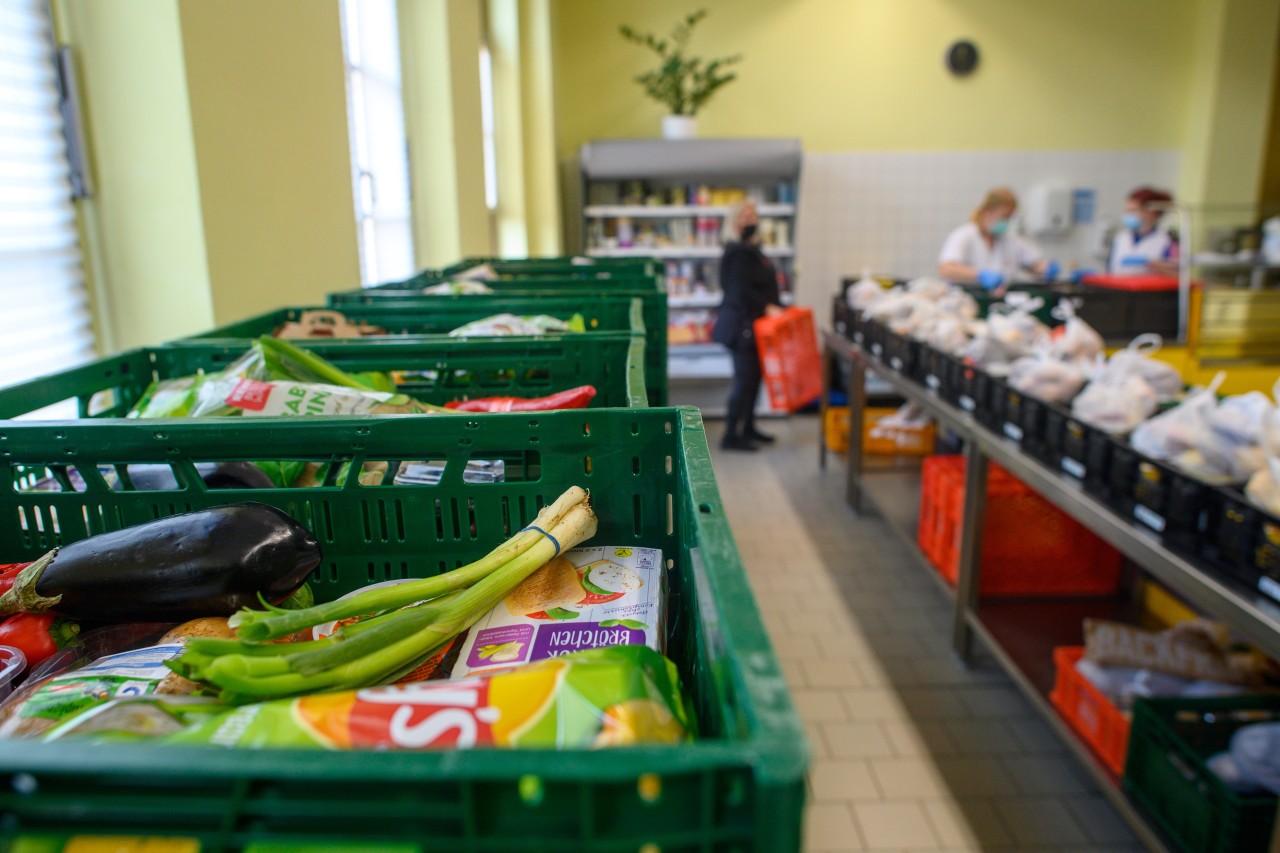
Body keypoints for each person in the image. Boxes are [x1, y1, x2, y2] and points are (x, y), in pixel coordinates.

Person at [712, 201, 783, 451]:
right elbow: (739, 290)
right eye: (743, 215)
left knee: (754, 380)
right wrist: (767, 306)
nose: (750, 219)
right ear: (733, 222)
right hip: (742, 328)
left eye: (753, 214)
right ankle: (731, 435)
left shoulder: (752, 249)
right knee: (744, 382)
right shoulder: (737, 252)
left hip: (756, 327)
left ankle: (749, 427)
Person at [938, 187, 1057, 292]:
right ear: (987, 212)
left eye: (1009, 218)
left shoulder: (1011, 240)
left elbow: (1033, 264)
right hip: (966, 300)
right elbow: (946, 269)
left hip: (998, 300)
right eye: (1004, 217)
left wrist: (1046, 268)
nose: (1006, 222)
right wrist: (979, 275)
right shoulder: (965, 235)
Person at [1109, 186, 1178, 275]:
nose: (1128, 216)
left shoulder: (1167, 240)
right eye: (1127, 211)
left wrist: (1154, 265)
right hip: (1118, 287)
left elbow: (1176, 275)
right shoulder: (1121, 238)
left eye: (1133, 211)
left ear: (1150, 212)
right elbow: (1111, 270)